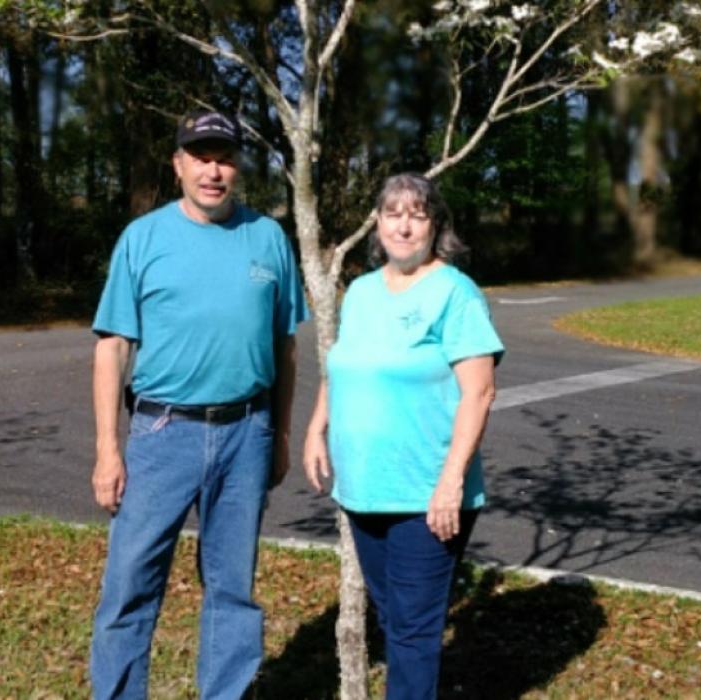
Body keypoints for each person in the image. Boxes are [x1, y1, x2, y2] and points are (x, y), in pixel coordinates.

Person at [89, 109, 309, 700]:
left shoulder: (268, 237)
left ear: (238, 167)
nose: (213, 170)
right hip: (163, 434)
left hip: (247, 432)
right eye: (201, 156)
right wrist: (109, 451)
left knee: (232, 587)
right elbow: (112, 348)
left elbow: (284, 346)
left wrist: (281, 435)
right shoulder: (144, 239)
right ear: (179, 164)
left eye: (225, 157)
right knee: (131, 584)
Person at [303, 173, 504, 699]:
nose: (404, 225)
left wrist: (451, 482)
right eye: (393, 213)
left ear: (436, 225)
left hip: (426, 495)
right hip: (365, 488)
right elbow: (342, 366)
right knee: (395, 621)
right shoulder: (363, 291)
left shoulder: (455, 292)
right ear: (378, 223)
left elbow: (479, 393)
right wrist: (316, 427)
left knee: (412, 633)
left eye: (417, 214)